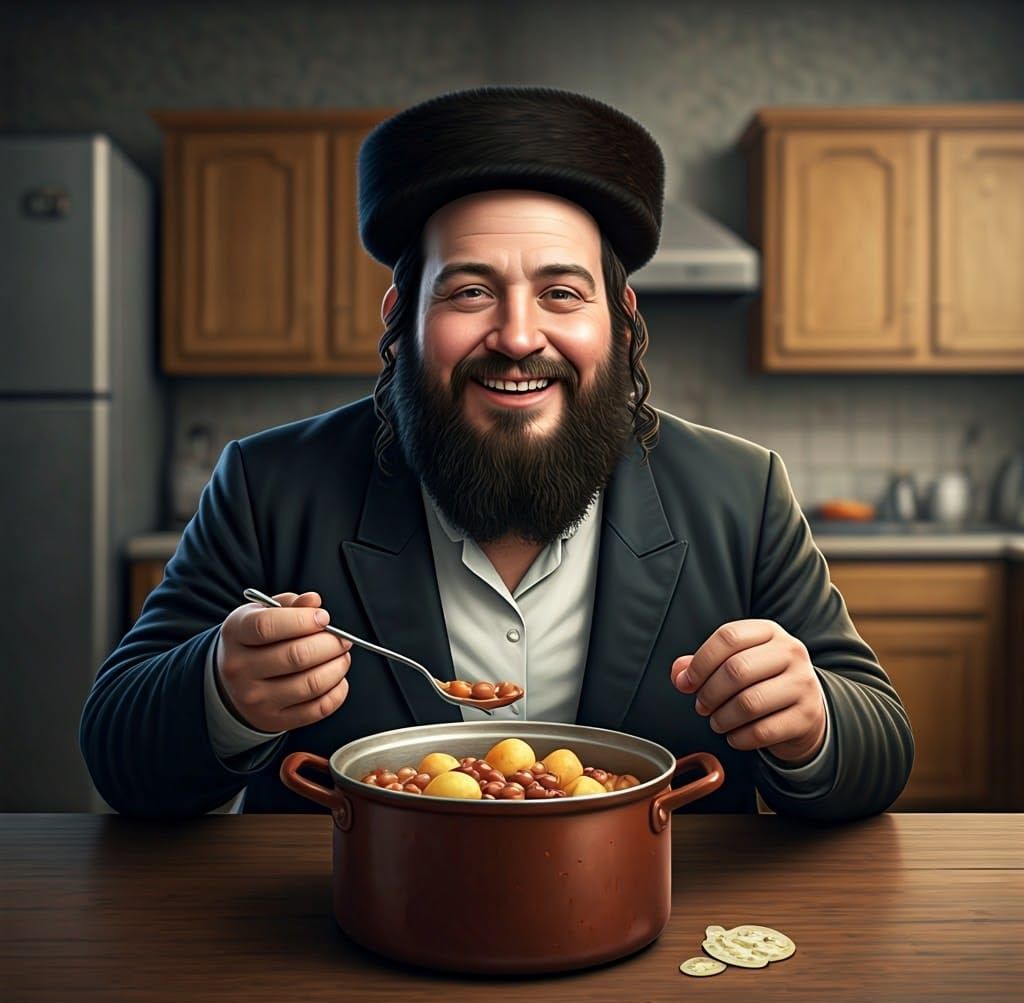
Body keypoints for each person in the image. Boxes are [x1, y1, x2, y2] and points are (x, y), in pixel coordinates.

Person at [80, 86, 913, 821]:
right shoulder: (270, 485)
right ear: (400, 319)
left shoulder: (742, 489)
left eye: (561, 293)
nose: (517, 335)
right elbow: (119, 752)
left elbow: (879, 747)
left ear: (619, 319)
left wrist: (812, 724)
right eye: (470, 291)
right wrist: (221, 694)